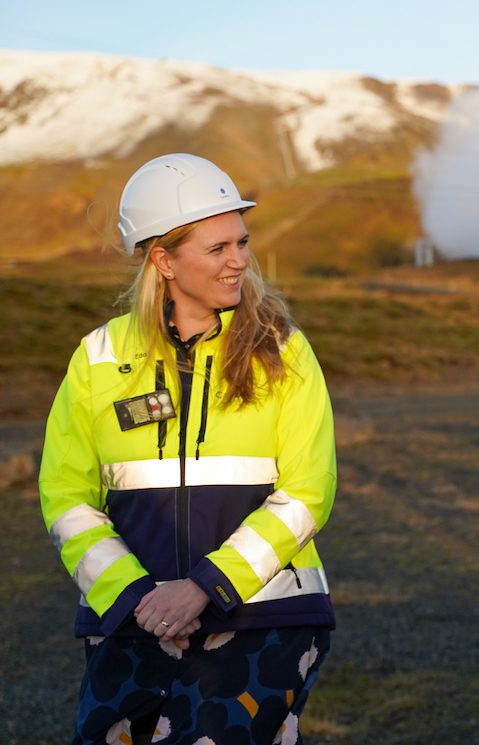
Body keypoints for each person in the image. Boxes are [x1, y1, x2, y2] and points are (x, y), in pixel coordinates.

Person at [39, 153, 337, 745]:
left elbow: (308, 490)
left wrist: (204, 586)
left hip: (261, 620)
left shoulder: (282, 349)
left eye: (242, 242)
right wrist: (134, 596)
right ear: (163, 260)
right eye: (218, 248)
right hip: (129, 623)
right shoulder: (97, 356)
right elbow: (65, 497)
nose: (240, 261)